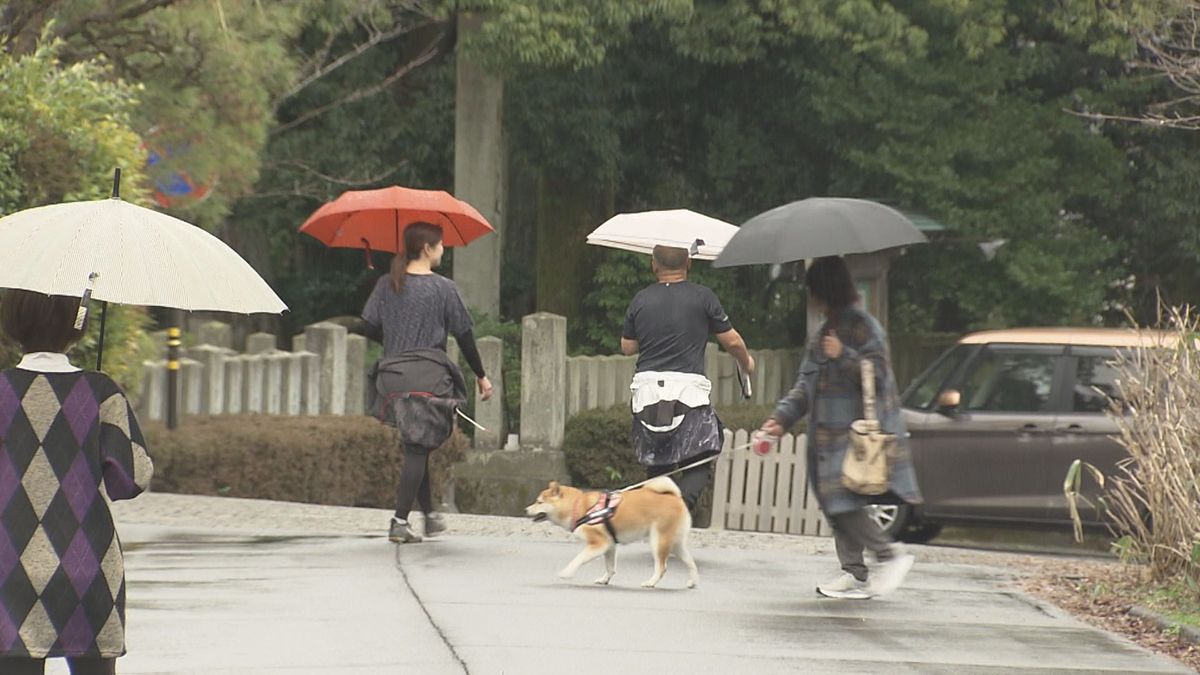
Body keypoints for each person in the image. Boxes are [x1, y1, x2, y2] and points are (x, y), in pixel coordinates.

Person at [0, 290, 153, 675]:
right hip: (89, 566)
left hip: (8, 566)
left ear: (13, 321)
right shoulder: (101, 392)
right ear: (77, 325)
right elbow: (132, 478)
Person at [758, 256, 921, 599]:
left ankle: (889, 555)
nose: (811, 298)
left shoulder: (864, 327)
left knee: (842, 502)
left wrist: (843, 354)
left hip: (854, 435)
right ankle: (854, 573)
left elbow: (878, 376)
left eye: (813, 291)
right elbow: (805, 385)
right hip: (825, 435)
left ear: (825, 290)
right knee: (835, 502)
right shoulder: (823, 332)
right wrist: (780, 419)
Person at [359, 222, 493, 544]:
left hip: (392, 376)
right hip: (427, 376)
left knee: (415, 446)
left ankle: (430, 516)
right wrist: (481, 375)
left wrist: (394, 339)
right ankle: (400, 521)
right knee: (418, 448)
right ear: (428, 248)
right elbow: (464, 335)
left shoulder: (386, 283)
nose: (443, 251)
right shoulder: (443, 288)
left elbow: (367, 326)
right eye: (441, 245)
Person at [621, 245, 754, 512]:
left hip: (647, 392)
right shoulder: (703, 297)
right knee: (702, 454)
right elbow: (733, 340)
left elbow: (627, 347)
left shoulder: (640, 299)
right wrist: (746, 362)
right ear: (689, 264)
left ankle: (658, 517)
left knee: (659, 460)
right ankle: (675, 510)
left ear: (654, 265)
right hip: (688, 392)